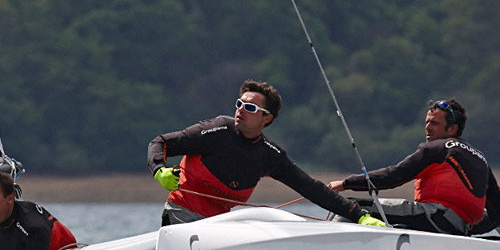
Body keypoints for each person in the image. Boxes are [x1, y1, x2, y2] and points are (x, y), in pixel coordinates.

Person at [147, 79, 382, 226]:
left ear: (266, 118)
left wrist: (359, 215)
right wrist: (160, 171)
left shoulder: (269, 155)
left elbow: (312, 189)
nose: (240, 110)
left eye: (250, 108)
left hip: (218, 226)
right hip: (182, 214)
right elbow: (160, 142)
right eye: (239, 104)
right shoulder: (215, 130)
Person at [327, 99, 500, 235]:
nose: (428, 128)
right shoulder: (481, 159)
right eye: (427, 122)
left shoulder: (439, 148)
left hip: (434, 217)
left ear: (452, 129)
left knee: (351, 206)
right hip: (455, 228)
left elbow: (393, 176)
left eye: (435, 124)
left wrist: (345, 183)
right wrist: (466, 230)